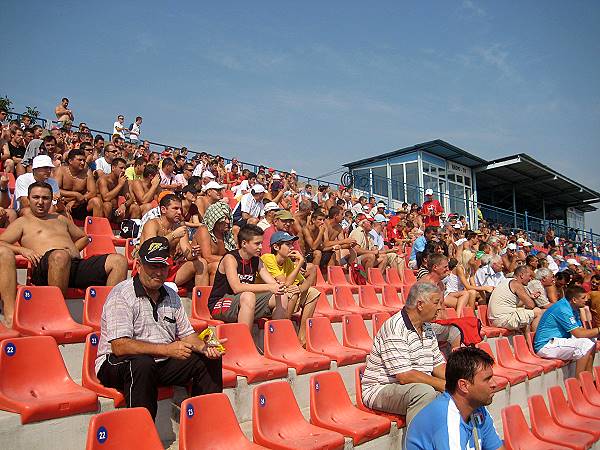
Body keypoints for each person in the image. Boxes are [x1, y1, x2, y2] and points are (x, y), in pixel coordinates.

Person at [95, 236, 226, 420]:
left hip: (159, 362)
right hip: (115, 363)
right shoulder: (122, 294)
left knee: (208, 359)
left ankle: (205, 424)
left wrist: (204, 346)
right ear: (139, 265)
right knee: (141, 364)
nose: (159, 272)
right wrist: (167, 349)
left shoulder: (171, 294)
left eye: (163, 266)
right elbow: (120, 346)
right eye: (153, 266)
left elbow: (187, 335)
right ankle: (142, 434)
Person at [0, 181, 128, 299]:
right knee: (60, 256)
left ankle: (110, 311)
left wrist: (71, 251)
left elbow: (83, 237)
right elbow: (1, 242)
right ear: (28, 199)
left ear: (51, 200)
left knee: (118, 261)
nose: (40, 202)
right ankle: (55, 311)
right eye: (36, 197)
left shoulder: (60, 219)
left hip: (74, 264)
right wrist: (23, 250)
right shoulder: (22, 222)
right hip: (46, 267)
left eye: (45, 198)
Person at [361, 282, 446, 425]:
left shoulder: (428, 328)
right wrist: (444, 385)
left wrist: (458, 381)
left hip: (414, 386)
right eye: (436, 302)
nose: (440, 307)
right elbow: (404, 375)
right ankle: (417, 444)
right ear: (420, 304)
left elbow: (438, 366)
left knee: (454, 393)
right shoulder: (396, 328)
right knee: (424, 393)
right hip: (380, 389)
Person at [405, 346, 502, 450]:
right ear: (463, 386)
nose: (494, 384)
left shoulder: (478, 409)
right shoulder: (446, 419)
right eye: (487, 379)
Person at [207, 224, 287, 329]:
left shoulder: (257, 260)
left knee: (282, 296)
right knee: (248, 296)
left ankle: (277, 338)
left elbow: (272, 283)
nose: (261, 247)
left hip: (244, 301)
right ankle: (244, 342)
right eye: (257, 244)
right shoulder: (230, 258)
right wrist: (270, 287)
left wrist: (279, 287)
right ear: (244, 243)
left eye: (261, 243)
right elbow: (237, 288)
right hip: (220, 304)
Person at [260, 231, 320, 346]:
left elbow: (305, 283)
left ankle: (302, 338)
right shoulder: (268, 258)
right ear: (276, 247)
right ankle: (283, 336)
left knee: (313, 293)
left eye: (291, 244)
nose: (292, 247)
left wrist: (300, 289)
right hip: (267, 298)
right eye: (287, 244)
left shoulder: (287, 261)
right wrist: (300, 262)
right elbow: (285, 283)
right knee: (291, 293)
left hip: (281, 295)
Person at [140, 193, 209, 287]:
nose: (180, 212)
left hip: (169, 268)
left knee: (202, 263)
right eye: (175, 208)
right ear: (163, 209)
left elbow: (188, 254)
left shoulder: (180, 226)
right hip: (151, 269)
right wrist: (173, 235)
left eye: (180, 209)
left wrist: (194, 253)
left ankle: (202, 300)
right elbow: (150, 249)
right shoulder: (152, 224)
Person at [534, 285, 598, 377]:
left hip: (557, 341)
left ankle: (589, 377)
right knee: (584, 344)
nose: (586, 300)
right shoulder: (562, 308)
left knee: (592, 340)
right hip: (546, 345)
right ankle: (579, 382)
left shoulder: (572, 307)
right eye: (583, 298)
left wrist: (595, 333)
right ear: (574, 300)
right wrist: (598, 330)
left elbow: (581, 330)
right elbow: (578, 334)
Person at [488, 265, 543, 332]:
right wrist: (529, 298)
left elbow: (514, 303)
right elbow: (531, 305)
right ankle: (537, 340)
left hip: (496, 319)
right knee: (538, 311)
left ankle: (528, 341)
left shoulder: (506, 281)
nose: (530, 279)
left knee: (524, 313)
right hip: (503, 320)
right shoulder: (516, 283)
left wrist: (530, 296)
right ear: (522, 275)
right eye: (529, 276)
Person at [194, 201, 236, 283]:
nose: (227, 222)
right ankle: (215, 295)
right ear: (215, 219)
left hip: (223, 265)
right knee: (217, 267)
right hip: (201, 268)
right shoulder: (204, 230)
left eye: (229, 218)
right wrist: (232, 259)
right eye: (224, 219)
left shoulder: (228, 234)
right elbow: (208, 258)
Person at [55, 149, 104, 219]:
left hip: (80, 203)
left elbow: (93, 193)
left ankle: (97, 228)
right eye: (80, 160)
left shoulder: (87, 172)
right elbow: (56, 190)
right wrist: (75, 194)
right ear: (70, 161)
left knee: (97, 201)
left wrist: (75, 201)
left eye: (84, 160)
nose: (83, 163)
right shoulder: (61, 170)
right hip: (63, 203)